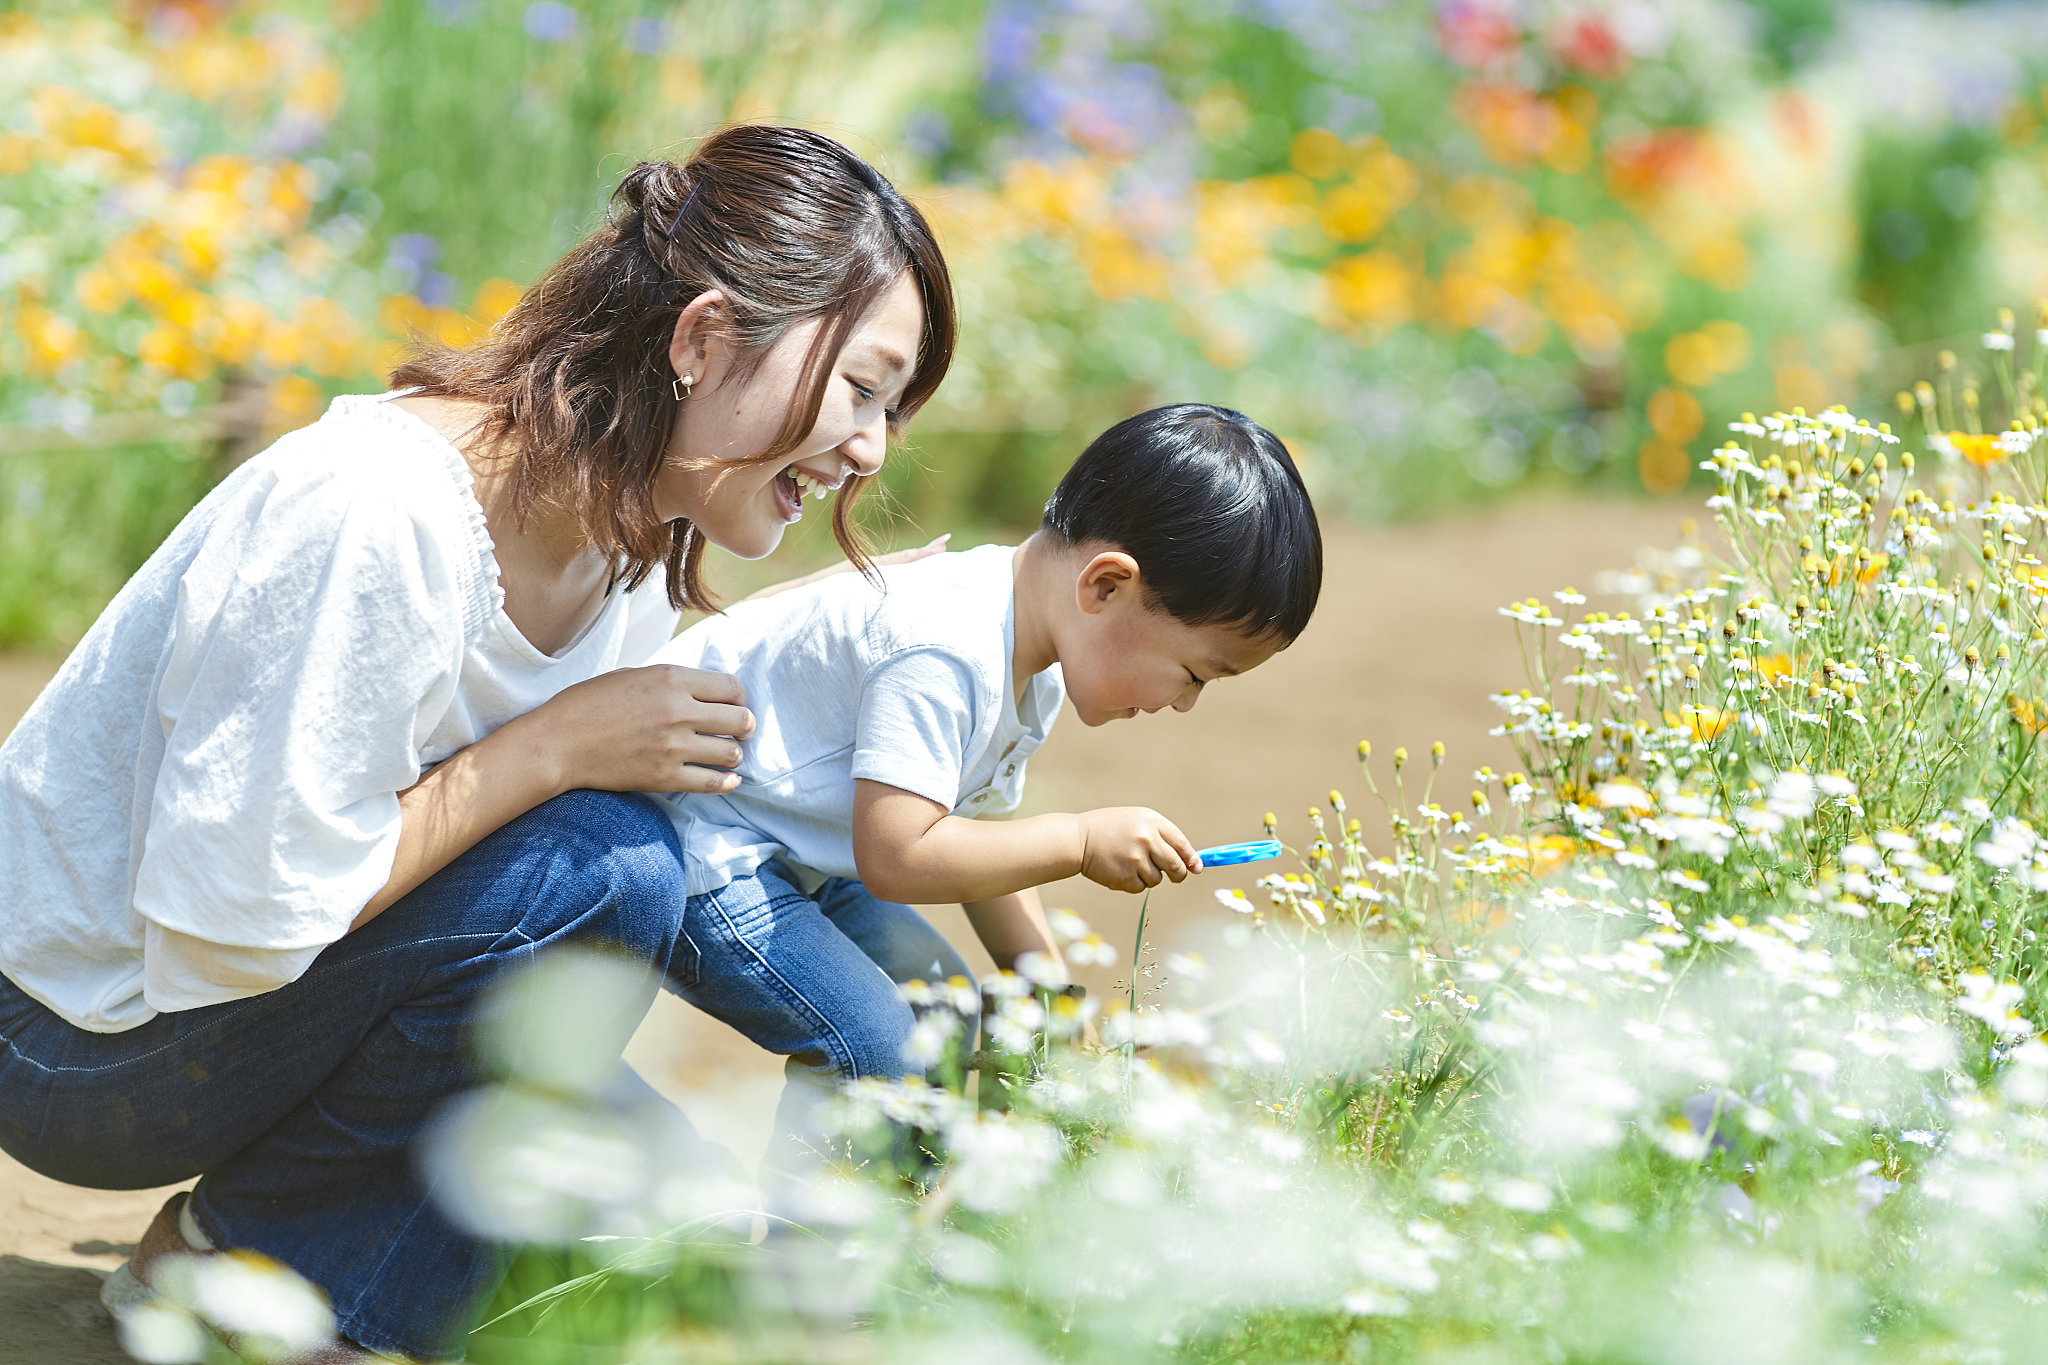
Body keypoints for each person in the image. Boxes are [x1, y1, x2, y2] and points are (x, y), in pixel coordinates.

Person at [0, 124, 956, 1362]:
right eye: (862, 388)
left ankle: (257, 1260)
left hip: (234, 1014)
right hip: (77, 1039)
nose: (871, 449)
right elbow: (233, 923)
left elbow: (531, 884)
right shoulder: (374, 512)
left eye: (892, 408)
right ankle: (251, 1270)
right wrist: (550, 749)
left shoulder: (627, 534)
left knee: (648, 1075)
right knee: (609, 864)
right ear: (702, 339)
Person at [651, 403, 1322, 1171]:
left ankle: (905, 1203)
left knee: (945, 1011)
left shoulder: (1029, 658)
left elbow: (981, 829)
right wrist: (1078, 840)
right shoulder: (944, 647)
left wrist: (1048, 992)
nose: (1185, 702)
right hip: (707, 849)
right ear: (1106, 586)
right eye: (1194, 673)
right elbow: (899, 856)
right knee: (878, 1044)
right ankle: (809, 1235)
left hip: (793, 844)